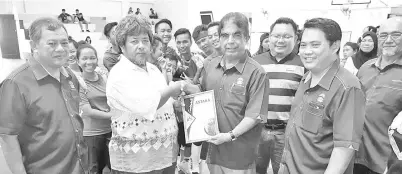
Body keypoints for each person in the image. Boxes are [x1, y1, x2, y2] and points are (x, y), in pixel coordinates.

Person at [183, 12, 269, 174]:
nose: (230, 41)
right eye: (225, 35)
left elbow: (254, 116)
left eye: (237, 35)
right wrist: (183, 89)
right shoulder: (210, 66)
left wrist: (229, 135)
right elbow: (202, 96)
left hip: (239, 156)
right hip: (210, 153)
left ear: (247, 39)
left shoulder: (257, 73)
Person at [0, 17, 88, 174]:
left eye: (65, 42)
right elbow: (8, 137)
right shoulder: (16, 84)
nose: (60, 49)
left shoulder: (69, 75)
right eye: (52, 44)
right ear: (34, 46)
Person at [279, 18, 366, 174]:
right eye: (303, 45)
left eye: (315, 45)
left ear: (335, 46)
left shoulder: (348, 87)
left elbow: (344, 148)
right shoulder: (307, 78)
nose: (306, 51)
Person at [106, 14, 182, 174]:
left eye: (145, 40)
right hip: (137, 161)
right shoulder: (119, 73)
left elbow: (165, 101)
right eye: (134, 41)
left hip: (165, 155)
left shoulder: (153, 69)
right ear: (122, 45)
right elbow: (147, 106)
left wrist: (178, 103)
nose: (141, 46)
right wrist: (173, 89)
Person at [253, 17, 304, 174]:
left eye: (287, 36)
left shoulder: (303, 64)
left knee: (282, 170)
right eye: (276, 35)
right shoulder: (255, 62)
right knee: (255, 170)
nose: (280, 40)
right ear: (269, 36)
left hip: (286, 133)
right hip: (257, 130)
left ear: (296, 38)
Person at [354, 17, 402, 174]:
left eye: (395, 34)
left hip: (386, 161)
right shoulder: (365, 68)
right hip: (354, 154)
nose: (388, 40)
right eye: (383, 35)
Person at [76, 44, 112, 174]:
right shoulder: (78, 82)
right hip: (91, 134)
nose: (89, 62)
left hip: (110, 131)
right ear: (78, 61)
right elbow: (88, 111)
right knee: (93, 169)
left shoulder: (104, 77)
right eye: (84, 58)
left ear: (97, 59)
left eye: (92, 58)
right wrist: (113, 115)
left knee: (111, 168)